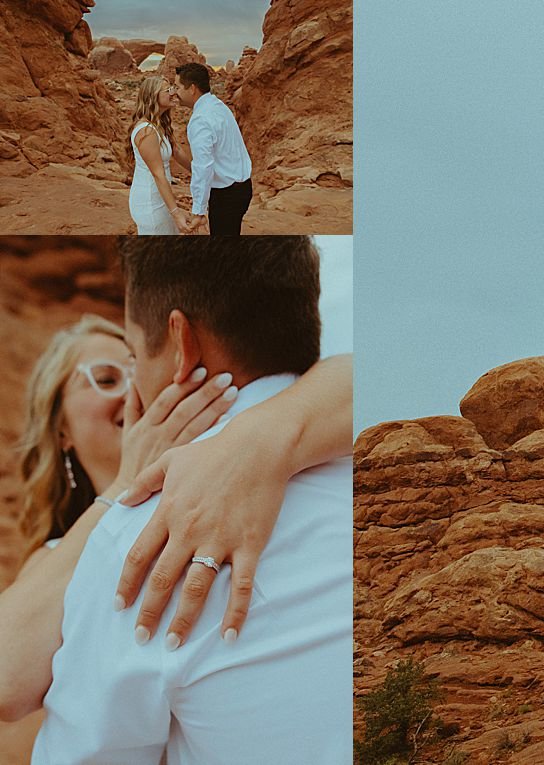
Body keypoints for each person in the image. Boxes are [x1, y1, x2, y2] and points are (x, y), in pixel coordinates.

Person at [20, 237, 352, 763]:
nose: (131, 390)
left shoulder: (132, 543)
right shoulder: (362, 442)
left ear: (180, 342)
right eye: (108, 374)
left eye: (132, 359)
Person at [174, 62, 253, 234]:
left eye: (177, 87)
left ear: (192, 89)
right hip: (243, 187)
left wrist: (198, 211)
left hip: (226, 195)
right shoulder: (218, 106)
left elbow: (204, 166)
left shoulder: (200, 119)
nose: (175, 93)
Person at [126, 77, 190, 235]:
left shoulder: (158, 125)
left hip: (160, 197)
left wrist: (199, 172)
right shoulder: (147, 131)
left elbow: (176, 151)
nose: (173, 93)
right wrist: (176, 213)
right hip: (150, 200)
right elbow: (158, 174)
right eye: (168, 90)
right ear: (153, 96)